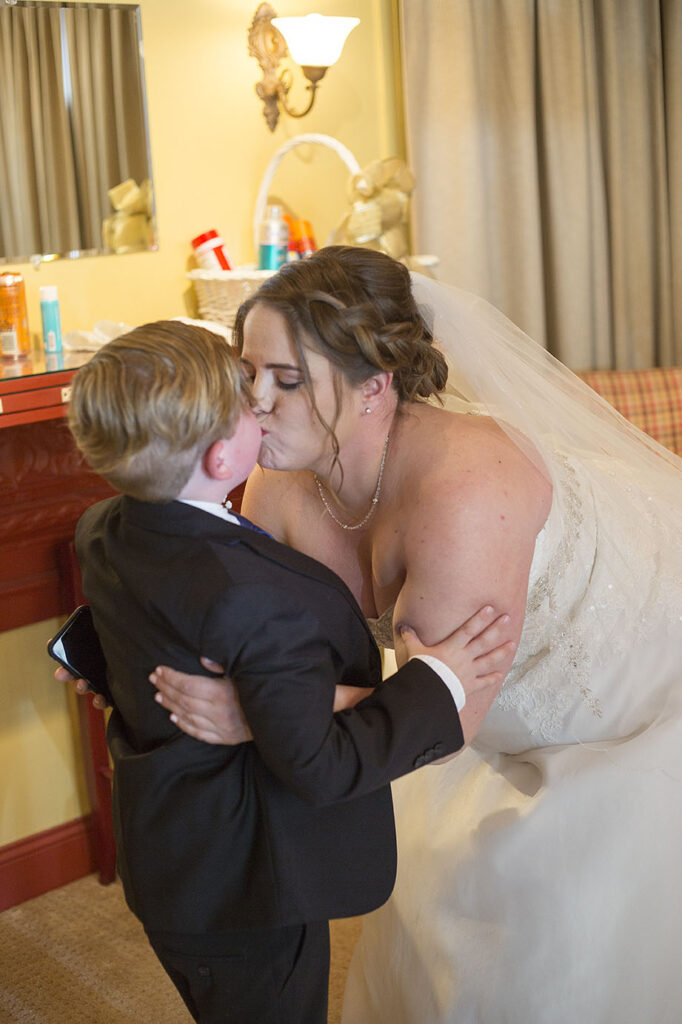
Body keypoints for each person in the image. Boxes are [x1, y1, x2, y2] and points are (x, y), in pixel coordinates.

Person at [151, 246, 682, 1024]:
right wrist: (130, 648)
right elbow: (229, 621)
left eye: (288, 381)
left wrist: (253, 712)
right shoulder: (278, 479)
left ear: (375, 387)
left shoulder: (463, 495)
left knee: (552, 939)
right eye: (248, 373)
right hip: (448, 705)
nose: (254, 403)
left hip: (621, 681)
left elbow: (439, 722)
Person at [65, 319, 513, 1024]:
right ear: (221, 457)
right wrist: (437, 681)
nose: (264, 407)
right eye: (249, 401)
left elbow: (137, 605)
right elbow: (320, 765)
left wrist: (96, 657)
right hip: (247, 890)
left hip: (175, 856)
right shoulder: (253, 597)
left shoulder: (103, 524)